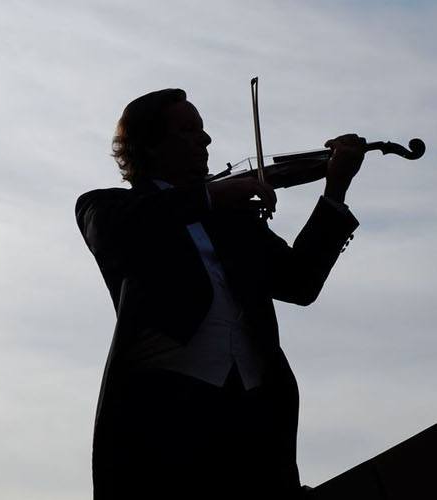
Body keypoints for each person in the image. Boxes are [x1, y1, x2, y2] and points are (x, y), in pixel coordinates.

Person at [75, 88, 367, 499]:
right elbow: (118, 231)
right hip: (164, 415)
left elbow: (299, 282)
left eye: (204, 129)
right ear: (151, 145)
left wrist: (335, 191)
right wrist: (211, 196)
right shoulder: (105, 207)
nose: (206, 139)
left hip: (255, 410)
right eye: (189, 129)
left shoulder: (235, 223)